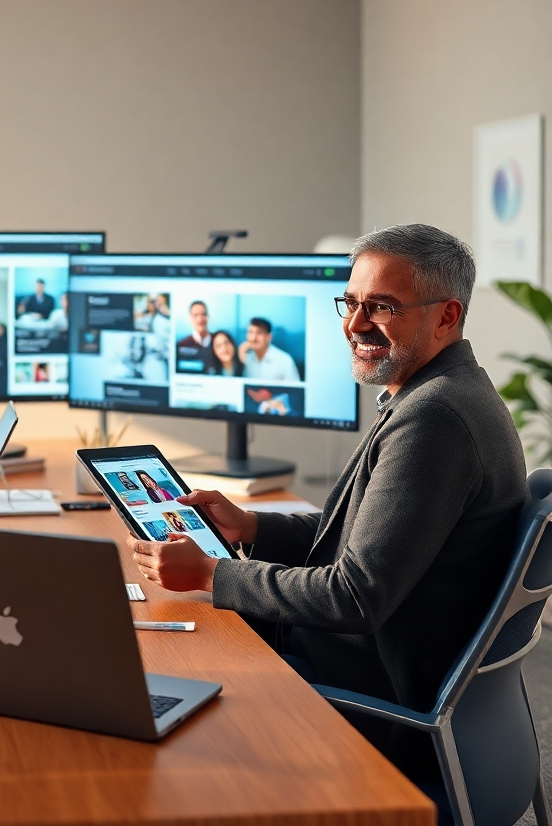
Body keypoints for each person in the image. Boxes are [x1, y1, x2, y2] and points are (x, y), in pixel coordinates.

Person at [128, 224, 528, 785]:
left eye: (382, 307)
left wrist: (214, 575)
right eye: (352, 302)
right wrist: (249, 526)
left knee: (163, 666)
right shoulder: (440, 392)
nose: (355, 324)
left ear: (446, 316)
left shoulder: (434, 420)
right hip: (376, 658)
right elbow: (369, 532)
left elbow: (353, 596)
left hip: (369, 691)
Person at [176, 301, 213, 373]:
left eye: (203, 314)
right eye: (196, 315)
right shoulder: (181, 345)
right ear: (190, 318)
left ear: (208, 317)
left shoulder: (218, 343)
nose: (200, 319)